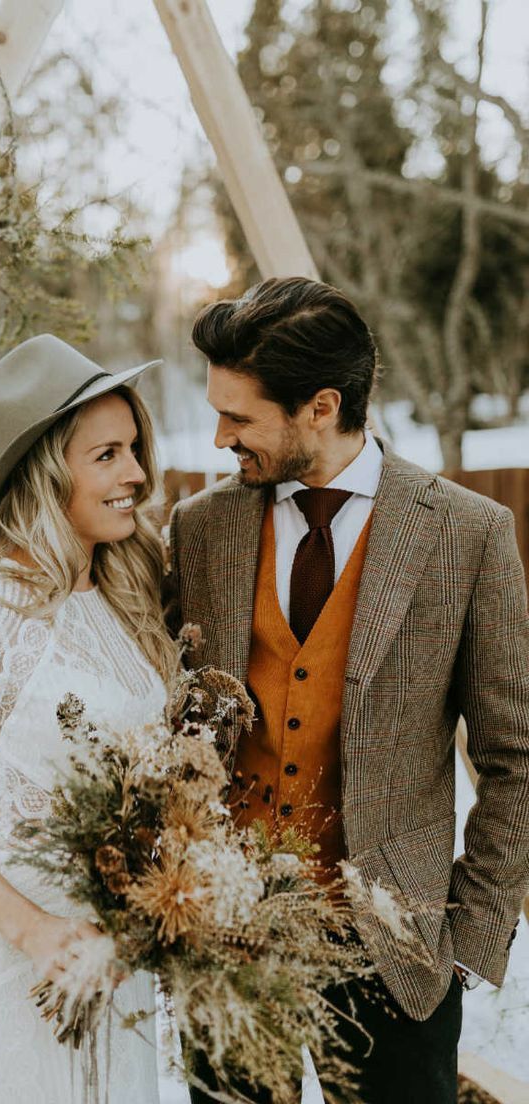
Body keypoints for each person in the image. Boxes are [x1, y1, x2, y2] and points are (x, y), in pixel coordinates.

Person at [166, 277, 529, 1104]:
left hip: (395, 950)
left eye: (240, 416)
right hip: (229, 937)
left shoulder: (468, 534)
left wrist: (469, 932)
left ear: (321, 407)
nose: (220, 436)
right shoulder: (201, 529)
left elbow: (519, 752)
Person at [0, 335, 178, 1103]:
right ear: (46, 472)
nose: (137, 475)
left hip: (116, 958)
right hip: (18, 952)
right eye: (108, 455)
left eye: (133, 449)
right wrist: (35, 931)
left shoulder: (125, 591)